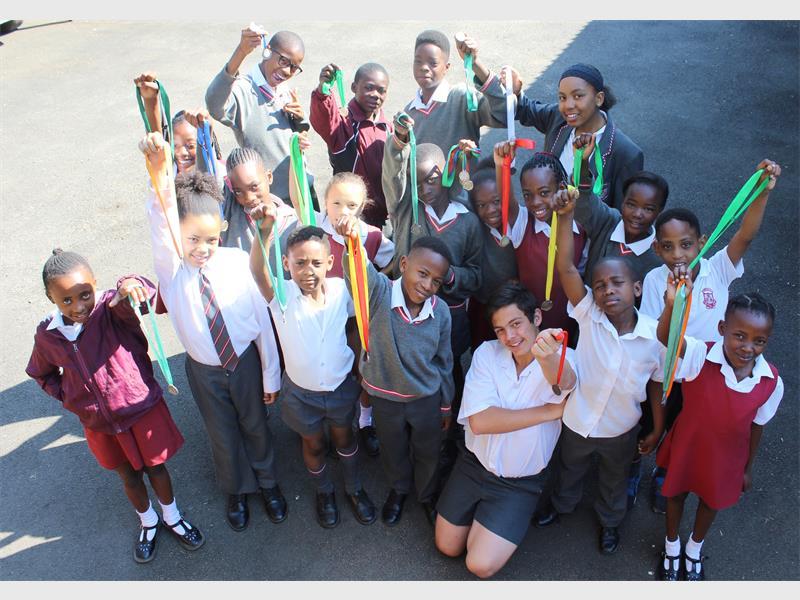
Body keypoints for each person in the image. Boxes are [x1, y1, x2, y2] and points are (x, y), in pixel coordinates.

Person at [534, 185, 696, 555]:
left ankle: (609, 524)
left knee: (614, 480)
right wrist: (566, 216)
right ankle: (561, 506)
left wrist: (656, 427)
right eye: (600, 285)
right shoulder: (589, 314)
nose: (607, 291)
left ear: (637, 288)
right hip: (578, 420)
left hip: (621, 430)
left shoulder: (653, 336)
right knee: (570, 469)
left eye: (617, 283)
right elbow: (565, 267)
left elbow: (657, 385)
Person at [138, 132, 286, 533]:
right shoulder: (173, 272)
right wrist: (159, 173)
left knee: (256, 424)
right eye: (192, 240)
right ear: (177, 238)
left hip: (246, 363)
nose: (203, 248)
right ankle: (236, 490)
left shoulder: (238, 261)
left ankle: (269, 483)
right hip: (204, 370)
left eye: (211, 238)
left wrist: (271, 373)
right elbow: (161, 218)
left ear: (222, 228)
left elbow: (262, 325)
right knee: (221, 433)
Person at [26, 250, 204, 564]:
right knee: (128, 477)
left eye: (84, 294)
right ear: (50, 297)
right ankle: (148, 521)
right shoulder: (48, 336)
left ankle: (172, 516)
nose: (78, 307)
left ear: (95, 284)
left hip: (139, 410)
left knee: (156, 468)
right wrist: (70, 398)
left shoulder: (110, 310)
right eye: (66, 301)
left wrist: (129, 284)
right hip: (100, 425)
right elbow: (42, 373)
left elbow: (143, 294)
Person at [640, 159, 780, 513]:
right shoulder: (658, 280)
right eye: (668, 247)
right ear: (657, 250)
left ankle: (675, 472)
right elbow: (659, 334)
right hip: (671, 369)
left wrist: (761, 191)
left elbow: (745, 234)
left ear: (700, 242)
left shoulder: (717, 267)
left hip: (710, 373)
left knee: (695, 430)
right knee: (664, 424)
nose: (678, 255)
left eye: (686, 244)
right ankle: (660, 470)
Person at [435, 282, 574, 579]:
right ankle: (483, 522)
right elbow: (480, 422)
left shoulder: (563, 358)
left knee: (479, 565)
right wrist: (550, 411)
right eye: (500, 330)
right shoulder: (487, 353)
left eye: (516, 324)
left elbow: (565, 383)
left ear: (536, 318)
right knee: (446, 546)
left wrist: (547, 356)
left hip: (519, 482)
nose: (509, 337)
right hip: (474, 465)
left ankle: (497, 521)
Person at [249, 215, 377, 529]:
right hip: (301, 394)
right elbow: (257, 270)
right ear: (286, 263)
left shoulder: (339, 289)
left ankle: (354, 488)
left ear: (330, 262)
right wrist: (264, 232)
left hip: (340, 387)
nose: (309, 271)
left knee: (345, 439)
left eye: (317, 263)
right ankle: (324, 492)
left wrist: (352, 241)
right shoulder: (282, 297)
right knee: (314, 444)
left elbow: (364, 291)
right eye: (300, 263)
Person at [653, 275, 783, 581]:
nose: (748, 347)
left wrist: (747, 469)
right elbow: (667, 337)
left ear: (768, 339)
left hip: (727, 458)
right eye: (739, 335)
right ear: (722, 329)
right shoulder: (701, 355)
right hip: (689, 446)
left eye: (759, 340)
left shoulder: (770, 381)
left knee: (711, 502)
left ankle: (694, 548)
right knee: (675, 495)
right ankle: (672, 546)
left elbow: (758, 426)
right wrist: (673, 303)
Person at [339, 232, 454, 528]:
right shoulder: (380, 293)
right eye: (423, 273)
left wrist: (445, 404)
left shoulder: (440, 312)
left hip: (424, 399)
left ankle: (427, 495)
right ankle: (399, 489)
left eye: (436, 281)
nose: (428, 285)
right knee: (393, 448)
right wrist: (353, 242)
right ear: (404, 264)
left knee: (429, 450)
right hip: (385, 398)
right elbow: (358, 273)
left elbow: (444, 361)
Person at [383, 122, 482, 466]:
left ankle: (449, 435)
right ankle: (408, 434)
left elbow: (478, 274)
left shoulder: (467, 221)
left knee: (447, 371)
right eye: (417, 179)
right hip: (406, 315)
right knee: (409, 370)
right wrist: (398, 144)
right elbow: (393, 175)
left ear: (445, 175)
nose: (423, 187)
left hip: (449, 317)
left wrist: (453, 276)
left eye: (431, 179)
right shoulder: (407, 209)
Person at [502, 63, 643, 210]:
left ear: (599, 98)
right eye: (562, 97)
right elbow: (525, 109)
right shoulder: (558, 119)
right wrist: (515, 90)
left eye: (578, 96)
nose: (568, 105)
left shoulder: (627, 153)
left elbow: (625, 214)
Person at [206, 23, 314, 205]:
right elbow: (215, 105)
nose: (287, 71)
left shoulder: (283, 90)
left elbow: (284, 140)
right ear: (267, 51)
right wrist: (241, 52)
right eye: (284, 61)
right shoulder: (244, 89)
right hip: (272, 200)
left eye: (294, 68)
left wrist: (300, 127)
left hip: (302, 193)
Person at [493, 142, 587, 339]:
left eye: (544, 193)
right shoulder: (523, 224)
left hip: (571, 321)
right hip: (529, 326)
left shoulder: (580, 228)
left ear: (561, 188)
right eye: (528, 195)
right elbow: (507, 203)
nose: (535, 202)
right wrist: (502, 167)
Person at [404, 30, 507, 198]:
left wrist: (475, 64)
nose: (424, 67)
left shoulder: (462, 98)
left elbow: (502, 113)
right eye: (418, 62)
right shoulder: (409, 114)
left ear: (447, 67)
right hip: (429, 209)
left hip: (466, 205)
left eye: (433, 63)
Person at [570, 133, 666, 284]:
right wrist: (582, 162)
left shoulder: (657, 258)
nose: (637, 214)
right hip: (586, 306)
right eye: (631, 204)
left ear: (659, 211)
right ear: (622, 202)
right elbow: (584, 199)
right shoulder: (608, 221)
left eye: (648, 209)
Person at [310, 62, 392, 228]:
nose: (376, 95)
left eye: (381, 90)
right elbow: (325, 118)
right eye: (369, 87)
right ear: (354, 87)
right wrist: (323, 92)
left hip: (383, 218)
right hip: (351, 218)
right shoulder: (343, 125)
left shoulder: (388, 128)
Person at [463, 156, 517, 350]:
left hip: (514, 304)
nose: (491, 210)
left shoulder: (517, 223)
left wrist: (501, 164)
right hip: (483, 304)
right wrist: (467, 158)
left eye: (496, 201)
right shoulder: (477, 227)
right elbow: (460, 195)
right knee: (484, 348)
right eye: (481, 205)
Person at [220, 146, 300, 256]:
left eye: (254, 187)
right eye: (238, 191)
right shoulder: (231, 211)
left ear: (269, 177)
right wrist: (204, 138)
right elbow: (208, 173)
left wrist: (298, 152)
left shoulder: (293, 221)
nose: (249, 198)